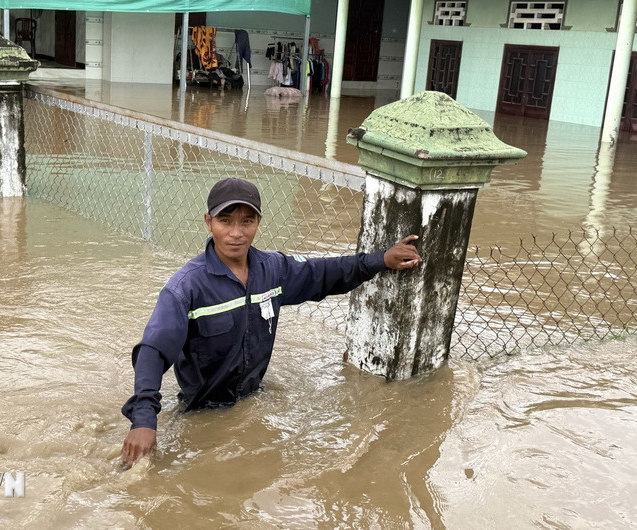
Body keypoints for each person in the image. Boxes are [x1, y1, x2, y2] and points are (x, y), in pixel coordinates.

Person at [121, 178, 421, 468]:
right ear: (208, 222)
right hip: (201, 412)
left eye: (247, 221)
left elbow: (325, 273)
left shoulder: (272, 271)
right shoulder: (186, 287)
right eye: (225, 221)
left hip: (253, 400)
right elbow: (153, 351)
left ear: (258, 223)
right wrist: (144, 421)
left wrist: (381, 260)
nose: (236, 233)